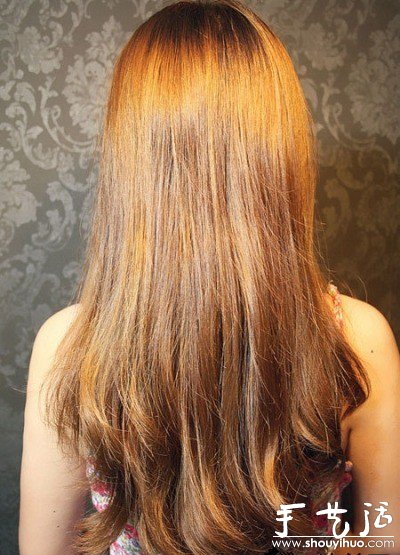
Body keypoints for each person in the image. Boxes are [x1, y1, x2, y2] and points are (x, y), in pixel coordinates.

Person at [19, 1, 400, 554]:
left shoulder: (68, 345)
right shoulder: (358, 339)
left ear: (131, 156)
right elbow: (383, 541)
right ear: (282, 148)